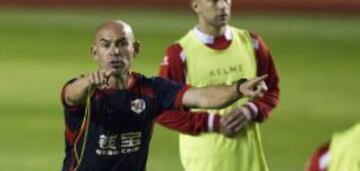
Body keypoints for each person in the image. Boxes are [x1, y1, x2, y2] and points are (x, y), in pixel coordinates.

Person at [60, 20, 268, 171]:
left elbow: (201, 96)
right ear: (95, 53)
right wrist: (88, 82)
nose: (115, 51)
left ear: (135, 49)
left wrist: (238, 88)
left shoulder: (152, 89)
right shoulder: (86, 91)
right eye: (106, 45)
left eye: (122, 43)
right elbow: (71, 96)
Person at [157, 0, 280, 171]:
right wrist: (213, 122)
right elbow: (162, 110)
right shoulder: (180, 53)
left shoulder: (252, 43)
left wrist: (251, 110)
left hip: (251, 164)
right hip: (205, 165)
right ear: (195, 5)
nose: (223, 5)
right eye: (214, 0)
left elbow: (272, 89)